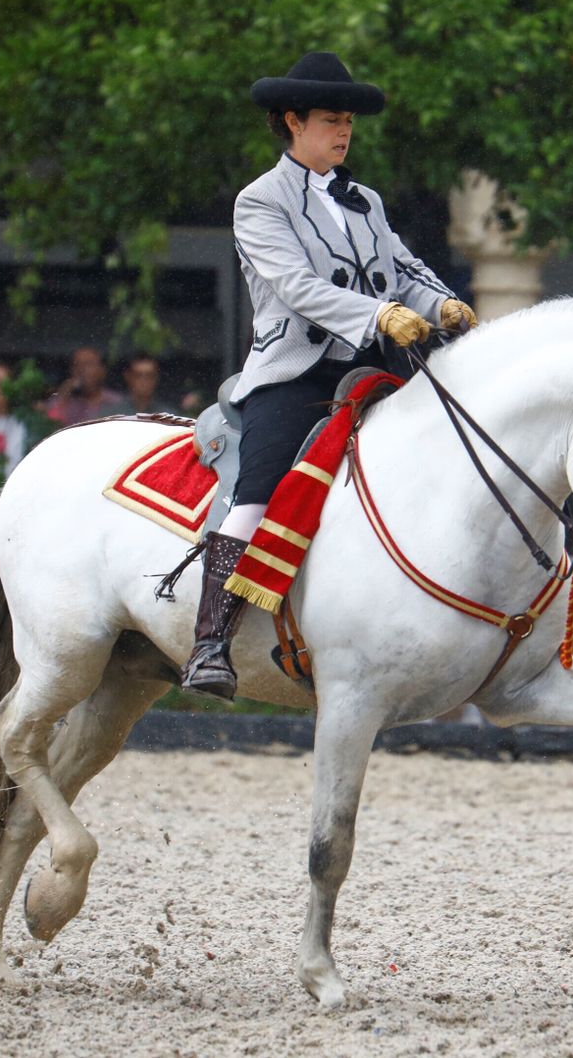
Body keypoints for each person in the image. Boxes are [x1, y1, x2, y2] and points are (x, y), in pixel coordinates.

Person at [179, 51, 476, 699]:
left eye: (348, 122)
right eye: (331, 120)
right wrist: (379, 314)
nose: (344, 132)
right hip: (295, 373)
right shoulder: (260, 201)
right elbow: (296, 286)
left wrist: (443, 304)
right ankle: (210, 641)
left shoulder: (365, 201)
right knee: (257, 492)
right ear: (293, 122)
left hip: (371, 369)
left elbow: (405, 270)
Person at [47, 346, 128, 426]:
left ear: (102, 370)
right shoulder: (66, 401)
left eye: (88, 364)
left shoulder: (115, 402)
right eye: (77, 365)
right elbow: (51, 425)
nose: (82, 369)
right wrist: (63, 396)